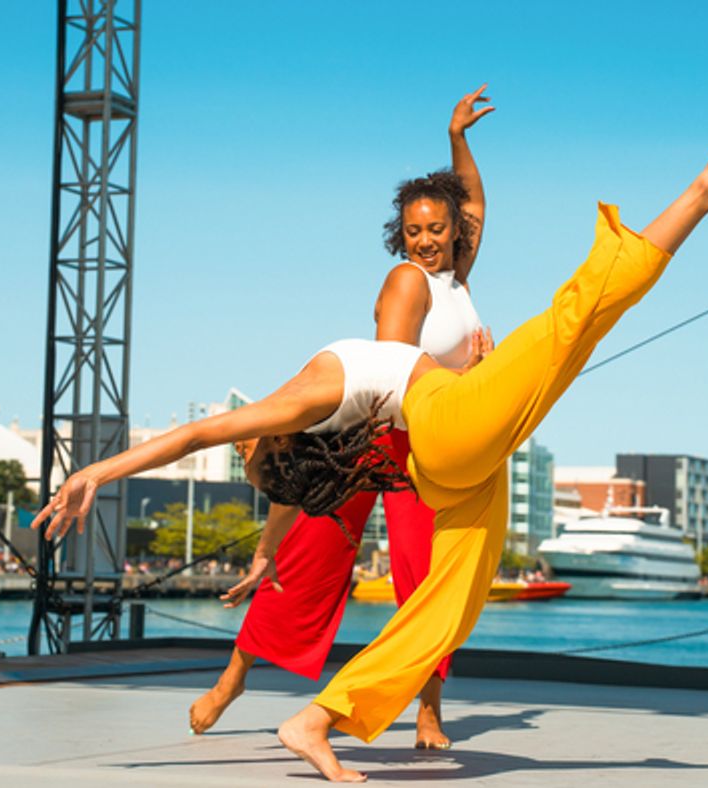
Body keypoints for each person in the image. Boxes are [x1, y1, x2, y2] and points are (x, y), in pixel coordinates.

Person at [34, 113, 708, 782]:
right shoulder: (322, 379)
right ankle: (703, 191)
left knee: (448, 605)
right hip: (443, 427)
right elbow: (202, 434)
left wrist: (100, 470)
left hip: (449, 460)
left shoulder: (312, 400)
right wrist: (99, 470)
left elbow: (207, 437)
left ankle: (318, 718)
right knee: (570, 323)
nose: (254, 427)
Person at [188, 85, 494, 750]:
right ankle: (234, 676)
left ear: (454, 232)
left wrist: (457, 139)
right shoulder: (404, 281)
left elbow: (472, 200)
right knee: (309, 558)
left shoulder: (459, 278)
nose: (426, 241)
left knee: (427, 579)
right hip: (374, 433)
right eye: (414, 231)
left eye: (437, 229)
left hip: (428, 446)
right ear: (400, 234)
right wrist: (471, 378)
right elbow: (393, 370)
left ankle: (428, 709)